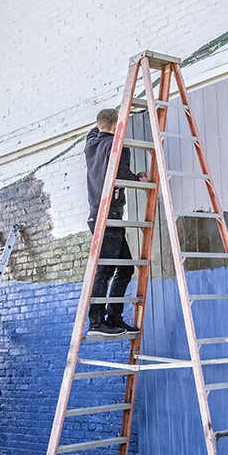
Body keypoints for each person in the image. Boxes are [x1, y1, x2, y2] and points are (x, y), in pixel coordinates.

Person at [85, 108, 148, 336]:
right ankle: (96, 322)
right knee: (107, 268)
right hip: (109, 215)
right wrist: (139, 179)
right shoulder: (118, 145)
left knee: (125, 268)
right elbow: (120, 175)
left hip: (97, 215)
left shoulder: (91, 143)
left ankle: (113, 318)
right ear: (116, 126)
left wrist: (115, 115)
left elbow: (97, 128)